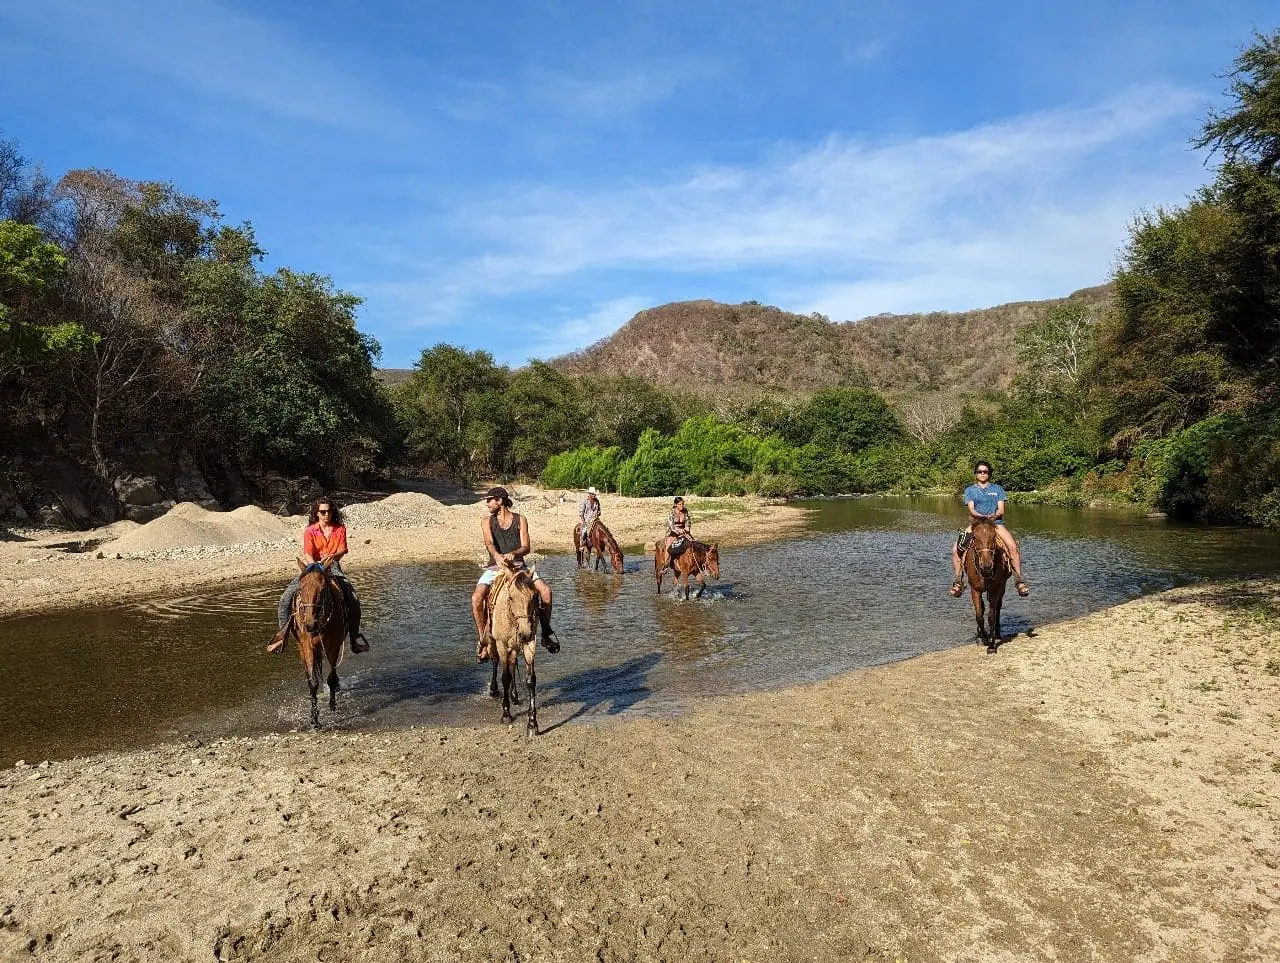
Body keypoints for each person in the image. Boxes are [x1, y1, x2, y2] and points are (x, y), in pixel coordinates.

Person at [267, 497, 368, 654]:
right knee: (285, 598)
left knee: (353, 598)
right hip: (312, 565)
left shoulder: (340, 529)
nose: (326, 514)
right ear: (317, 513)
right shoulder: (310, 530)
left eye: (329, 511)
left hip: (332, 566)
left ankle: (354, 638)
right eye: (323, 512)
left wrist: (331, 558)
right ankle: (282, 636)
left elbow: (342, 549)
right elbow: (307, 552)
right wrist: (316, 565)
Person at [471, 486, 558, 660]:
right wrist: (497, 556)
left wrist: (515, 553)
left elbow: (527, 546)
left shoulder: (520, 519)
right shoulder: (486, 521)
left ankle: (545, 633)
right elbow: (489, 543)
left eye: (490, 500)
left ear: (500, 501)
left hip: (519, 567)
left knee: (546, 592)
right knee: (477, 598)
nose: (487, 503)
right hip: (495, 567)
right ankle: (484, 639)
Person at [949, 461, 1030, 598]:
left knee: (1012, 547)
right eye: (979, 471)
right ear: (976, 474)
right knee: (956, 550)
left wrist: (993, 516)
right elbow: (972, 509)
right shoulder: (970, 490)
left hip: (996, 524)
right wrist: (982, 517)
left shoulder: (998, 489)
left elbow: (1001, 509)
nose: (982, 474)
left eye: (985, 471)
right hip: (977, 524)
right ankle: (958, 580)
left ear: (989, 473)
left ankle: (1019, 579)